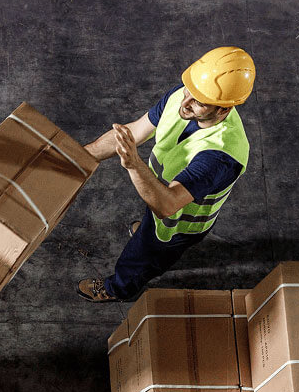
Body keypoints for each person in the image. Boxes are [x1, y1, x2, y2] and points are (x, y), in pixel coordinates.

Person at [76, 46, 255, 302]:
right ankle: (147, 238)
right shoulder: (185, 96)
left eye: (199, 102)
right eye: (188, 91)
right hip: (158, 193)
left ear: (223, 110)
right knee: (147, 233)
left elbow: (167, 205)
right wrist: (78, 157)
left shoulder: (221, 155)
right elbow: (135, 132)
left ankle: (118, 288)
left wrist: (133, 165)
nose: (186, 103)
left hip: (178, 222)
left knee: (141, 256)